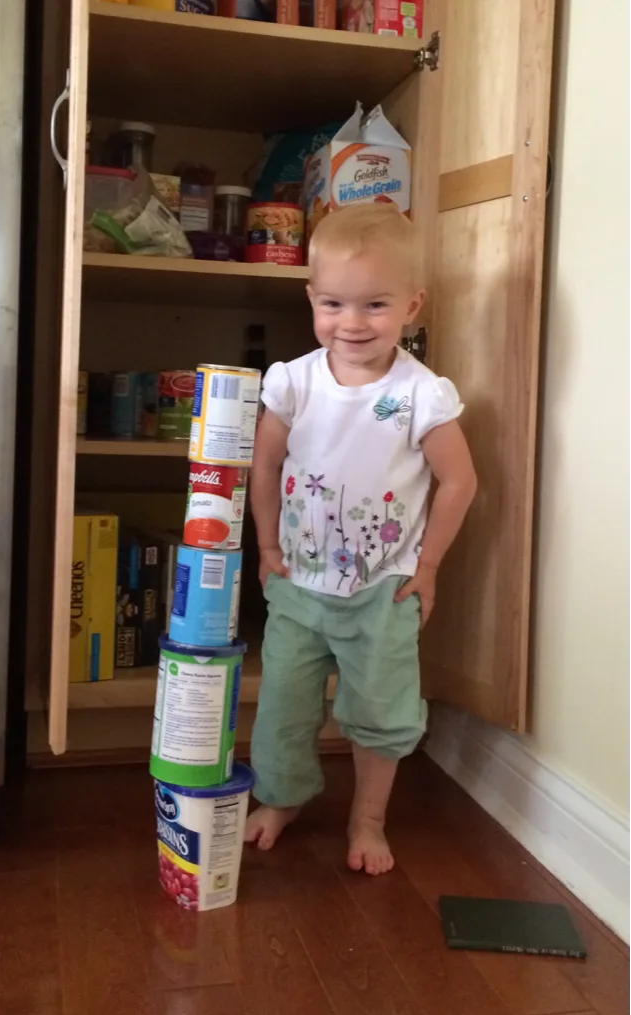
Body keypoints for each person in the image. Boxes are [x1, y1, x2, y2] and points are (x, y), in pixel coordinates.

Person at [244, 201, 477, 875]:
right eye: (334, 305)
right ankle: (281, 800)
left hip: (382, 590)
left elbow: (459, 483)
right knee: (283, 709)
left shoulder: (420, 395)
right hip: (298, 585)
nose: (351, 323)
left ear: (412, 305)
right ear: (312, 299)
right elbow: (263, 466)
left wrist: (428, 566)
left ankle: (367, 818)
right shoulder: (293, 383)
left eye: (374, 305)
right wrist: (265, 549)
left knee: (381, 713)